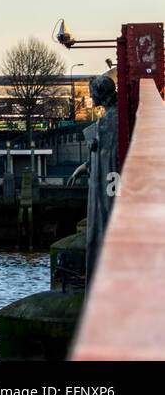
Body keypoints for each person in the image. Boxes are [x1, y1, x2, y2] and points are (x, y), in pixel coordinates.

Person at [82, 73, 118, 282]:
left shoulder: (108, 122)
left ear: (98, 94)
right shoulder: (110, 119)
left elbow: (110, 159)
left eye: (91, 93)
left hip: (105, 195)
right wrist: (88, 163)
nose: (91, 97)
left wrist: (94, 148)